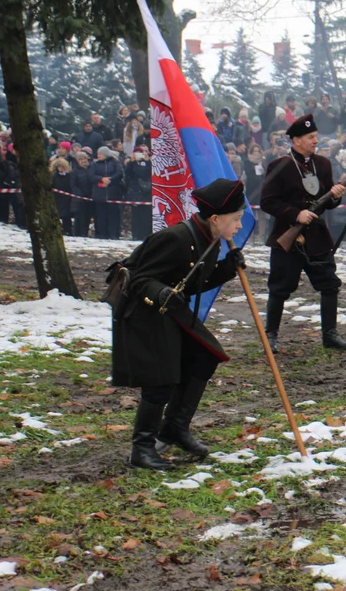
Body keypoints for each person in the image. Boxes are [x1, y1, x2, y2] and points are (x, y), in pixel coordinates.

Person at [111, 177, 247, 470]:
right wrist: (160, 292)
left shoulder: (209, 239)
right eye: (235, 219)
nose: (238, 226)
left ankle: (174, 428)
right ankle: (142, 449)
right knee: (161, 379)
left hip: (171, 311)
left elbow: (191, 283)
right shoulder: (175, 238)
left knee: (204, 356)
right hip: (145, 313)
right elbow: (138, 278)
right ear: (215, 218)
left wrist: (227, 268)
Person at [260, 114, 346, 352]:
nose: (315, 140)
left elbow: (326, 203)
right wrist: (295, 214)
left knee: (329, 285)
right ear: (296, 139)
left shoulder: (322, 164)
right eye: (310, 137)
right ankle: (270, 335)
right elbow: (268, 202)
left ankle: (330, 335)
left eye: (315, 136)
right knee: (279, 288)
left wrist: (336, 196)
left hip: (317, 237)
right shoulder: (278, 165)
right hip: (287, 235)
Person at [91, 146, 125, 239]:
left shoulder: (115, 162)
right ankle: (102, 234)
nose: (99, 155)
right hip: (99, 194)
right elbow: (91, 176)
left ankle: (114, 234)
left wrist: (110, 180)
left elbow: (119, 173)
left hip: (113, 193)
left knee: (113, 216)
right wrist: (102, 179)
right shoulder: (95, 164)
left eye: (101, 154)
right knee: (100, 216)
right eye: (98, 153)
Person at [125, 146, 153, 240]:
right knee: (136, 215)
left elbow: (145, 174)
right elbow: (127, 174)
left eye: (145, 151)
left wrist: (147, 162)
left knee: (146, 215)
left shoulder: (149, 162)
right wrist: (132, 162)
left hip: (146, 193)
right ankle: (136, 235)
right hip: (135, 192)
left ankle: (145, 235)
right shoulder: (132, 163)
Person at [71, 151, 94, 236]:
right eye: (80, 159)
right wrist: (80, 194)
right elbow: (73, 185)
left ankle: (85, 233)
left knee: (87, 217)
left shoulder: (92, 169)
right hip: (79, 198)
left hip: (90, 197)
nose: (83, 161)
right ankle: (78, 234)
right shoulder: (75, 171)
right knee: (79, 217)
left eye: (84, 158)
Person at [50, 157, 74, 234]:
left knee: (66, 216)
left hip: (67, 198)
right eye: (59, 166)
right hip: (57, 198)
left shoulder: (69, 176)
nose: (61, 168)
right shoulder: (54, 176)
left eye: (62, 166)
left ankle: (68, 230)